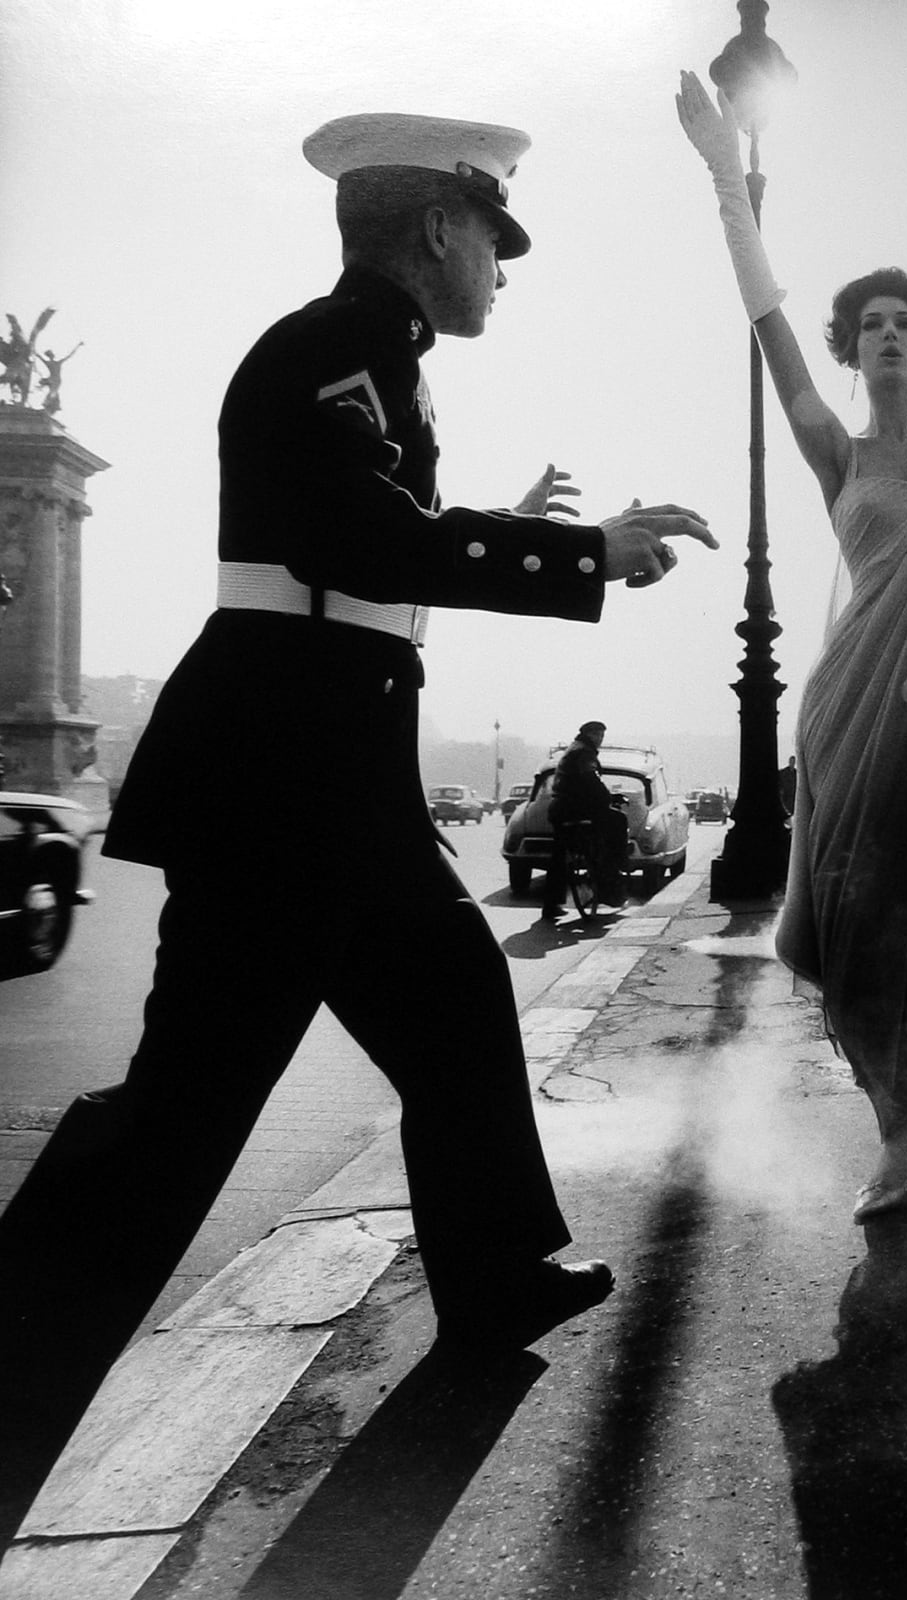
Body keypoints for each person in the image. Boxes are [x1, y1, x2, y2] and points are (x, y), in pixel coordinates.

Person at [0, 110, 718, 1526]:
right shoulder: (339, 346)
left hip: (329, 774)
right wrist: (577, 552)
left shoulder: (374, 360)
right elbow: (349, 541)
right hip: (285, 785)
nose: (502, 273)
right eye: (494, 245)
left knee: (455, 998)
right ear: (439, 229)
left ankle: (499, 1268)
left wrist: (503, 521)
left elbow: (360, 549)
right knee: (178, 1121)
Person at [677, 75, 907, 1221]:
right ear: (853, 350)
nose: (889, 335)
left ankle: (896, 1135)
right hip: (842, 710)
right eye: (871, 326)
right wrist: (717, 173)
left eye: (906, 325)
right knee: (844, 925)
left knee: (902, 912)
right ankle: (894, 1124)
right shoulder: (835, 454)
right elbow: (765, 319)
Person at [541, 720, 631, 919]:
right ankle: (619, 863)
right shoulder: (584, 753)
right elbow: (590, 779)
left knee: (559, 857)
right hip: (576, 808)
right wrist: (609, 798)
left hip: (560, 809)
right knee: (618, 820)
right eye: (597, 735)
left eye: (601, 735)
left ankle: (550, 904)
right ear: (588, 735)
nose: (599, 739)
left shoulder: (573, 749)